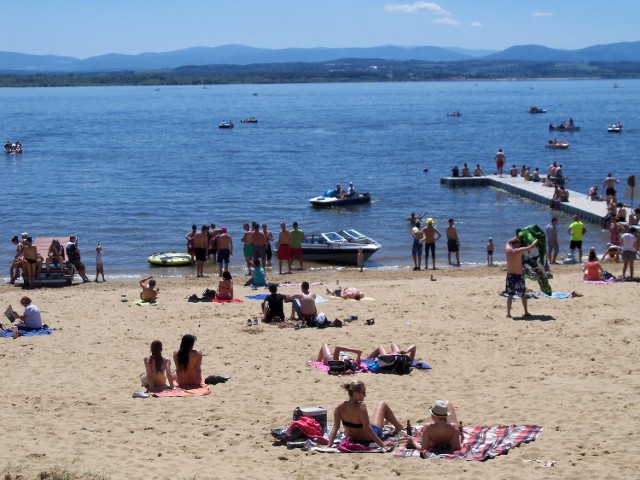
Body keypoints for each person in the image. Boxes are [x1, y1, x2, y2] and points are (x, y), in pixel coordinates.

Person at [326, 381, 404, 449]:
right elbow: (368, 428)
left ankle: (385, 422)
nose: (365, 395)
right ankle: (398, 426)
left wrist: (329, 445)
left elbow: (335, 427)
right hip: (367, 438)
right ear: (356, 394)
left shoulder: (340, 406)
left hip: (351, 438)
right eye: (363, 392)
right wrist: (382, 444)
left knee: (370, 422)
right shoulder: (361, 406)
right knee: (382, 404)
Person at [505, 236, 539, 318]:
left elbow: (508, 242)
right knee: (523, 294)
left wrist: (516, 237)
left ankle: (508, 313)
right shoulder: (519, 251)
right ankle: (526, 312)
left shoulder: (508, 249)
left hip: (510, 276)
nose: (520, 245)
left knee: (510, 295)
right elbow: (531, 247)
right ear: (516, 244)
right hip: (518, 276)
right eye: (519, 244)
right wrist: (537, 239)